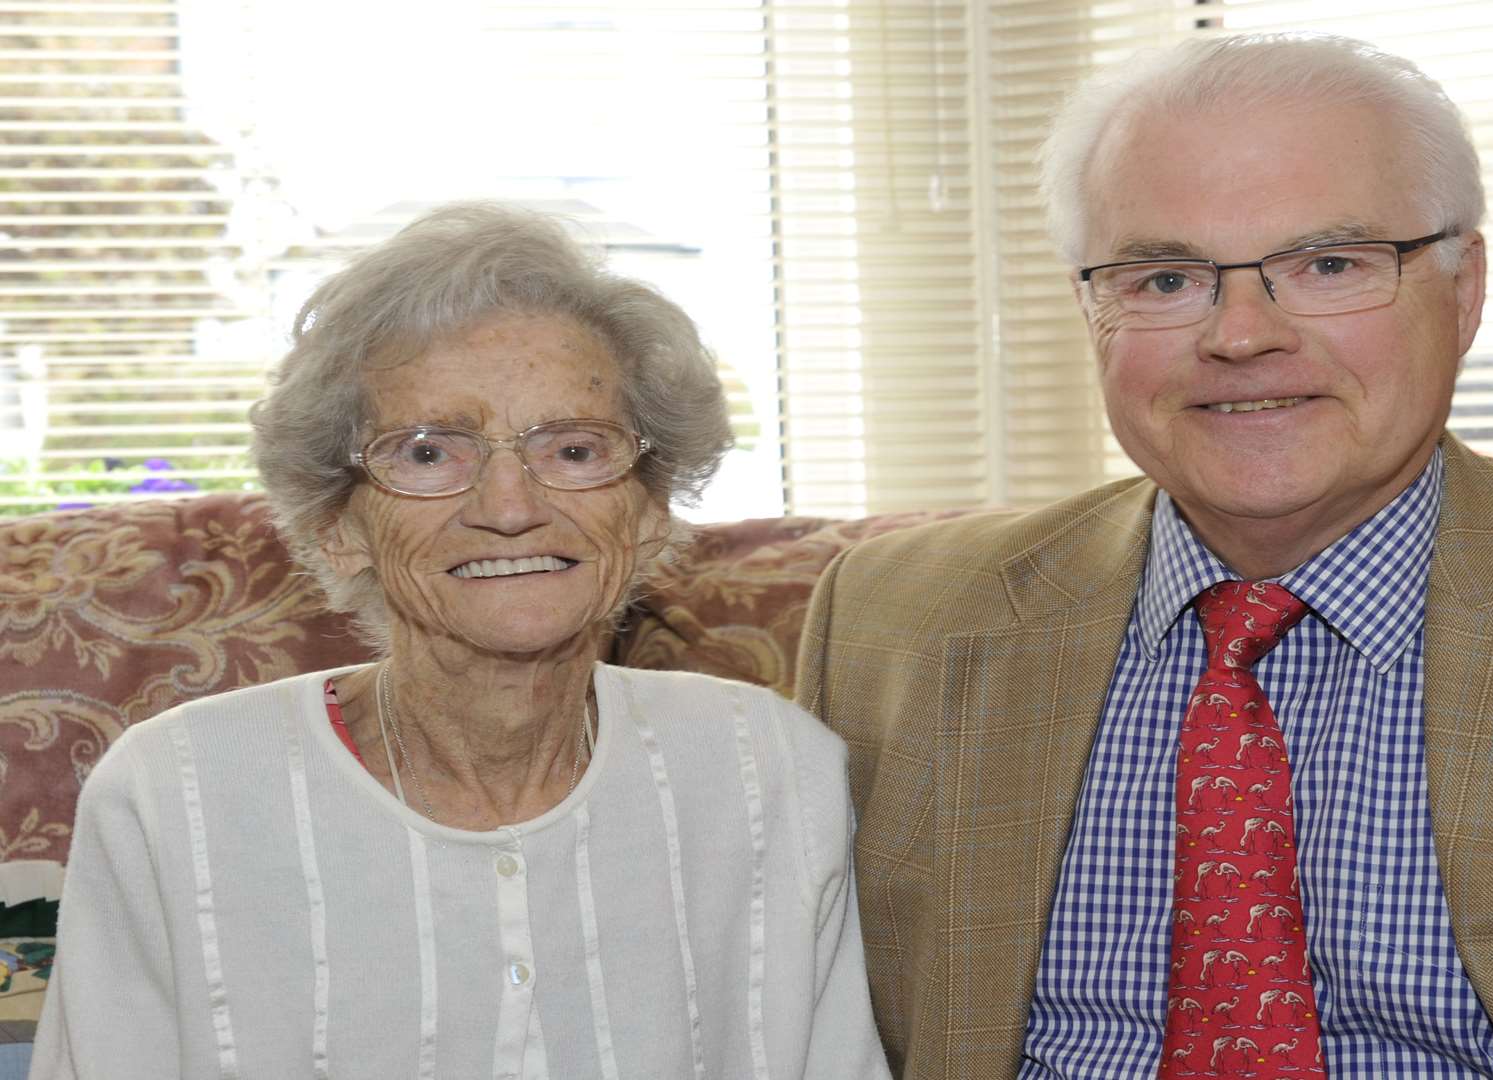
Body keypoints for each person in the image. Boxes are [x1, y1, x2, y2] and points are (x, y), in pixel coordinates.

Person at [797, 32, 1493, 1080]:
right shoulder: (891, 623)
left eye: (1329, 264)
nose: (1240, 335)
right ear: (1091, 310)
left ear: (1464, 287)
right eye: (1165, 280)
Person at [33, 203, 888, 1079]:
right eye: (429, 453)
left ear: (649, 507)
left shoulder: (773, 772)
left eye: (575, 450)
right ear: (337, 526)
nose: (510, 507)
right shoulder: (175, 796)